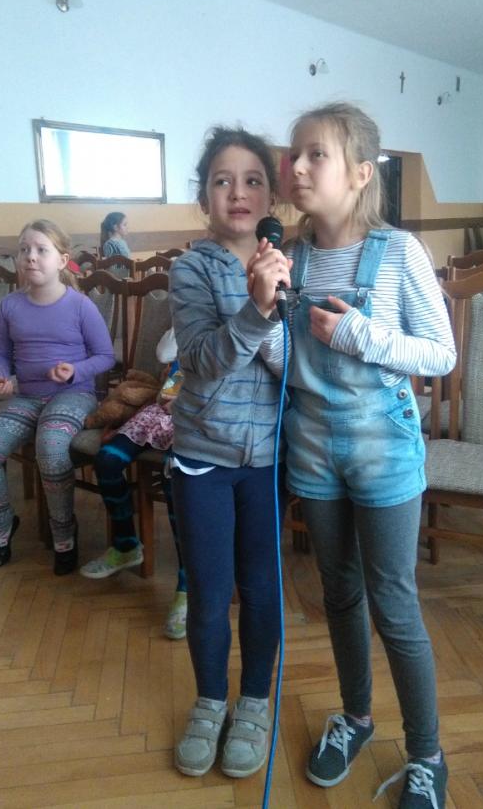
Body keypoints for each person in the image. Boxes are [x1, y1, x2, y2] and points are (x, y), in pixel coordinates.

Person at [276, 102, 456, 808]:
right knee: (339, 593)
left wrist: (360, 336)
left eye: (314, 154)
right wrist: (261, 310)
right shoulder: (289, 258)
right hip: (312, 446)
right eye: (293, 153)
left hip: (384, 448)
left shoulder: (399, 251)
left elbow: (439, 354)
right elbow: (282, 361)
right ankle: (355, 717)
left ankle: (427, 754)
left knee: (395, 603)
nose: (295, 167)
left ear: (359, 173)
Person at [168, 126, 291, 778]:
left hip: (268, 461)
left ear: (271, 195)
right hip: (203, 459)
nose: (238, 192)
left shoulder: (291, 267)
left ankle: (254, 702)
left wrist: (273, 307)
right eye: (222, 180)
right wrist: (255, 311)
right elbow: (200, 360)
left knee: (263, 590)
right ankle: (210, 700)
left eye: (252, 180)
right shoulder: (190, 268)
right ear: (204, 198)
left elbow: (294, 368)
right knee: (211, 592)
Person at [0, 219, 115, 574]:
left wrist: (74, 370)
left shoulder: (80, 305)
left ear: (62, 260)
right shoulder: (9, 306)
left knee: (50, 445)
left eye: (41, 250)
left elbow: (105, 356)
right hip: (27, 398)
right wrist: (0, 375)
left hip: (74, 395)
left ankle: (64, 534)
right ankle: (1, 527)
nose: (30, 256)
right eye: (24, 250)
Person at [79, 331, 188, 641]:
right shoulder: (187, 316)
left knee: (172, 476)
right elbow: (165, 355)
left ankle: (187, 583)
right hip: (166, 400)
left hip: (201, 412)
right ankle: (126, 545)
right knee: (107, 461)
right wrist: (179, 323)